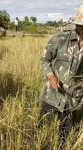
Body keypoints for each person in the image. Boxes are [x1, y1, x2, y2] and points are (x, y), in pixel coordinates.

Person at [40, 3, 83, 139]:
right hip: (53, 95)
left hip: (73, 98)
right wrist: (51, 76)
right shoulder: (61, 38)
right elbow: (44, 60)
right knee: (42, 131)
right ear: (78, 24)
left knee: (64, 136)